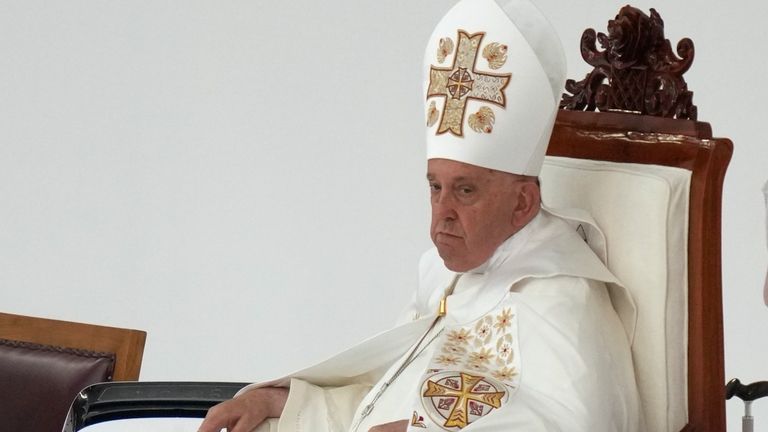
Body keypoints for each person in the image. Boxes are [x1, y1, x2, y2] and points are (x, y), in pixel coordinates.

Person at [199, 0, 643, 430]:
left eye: (465, 190)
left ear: (523, 203)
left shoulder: (561, 298)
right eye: (435, 187)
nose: (442, 215)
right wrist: (280, 401)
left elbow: (578, 422)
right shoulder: (446, 273)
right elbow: (385, 397)